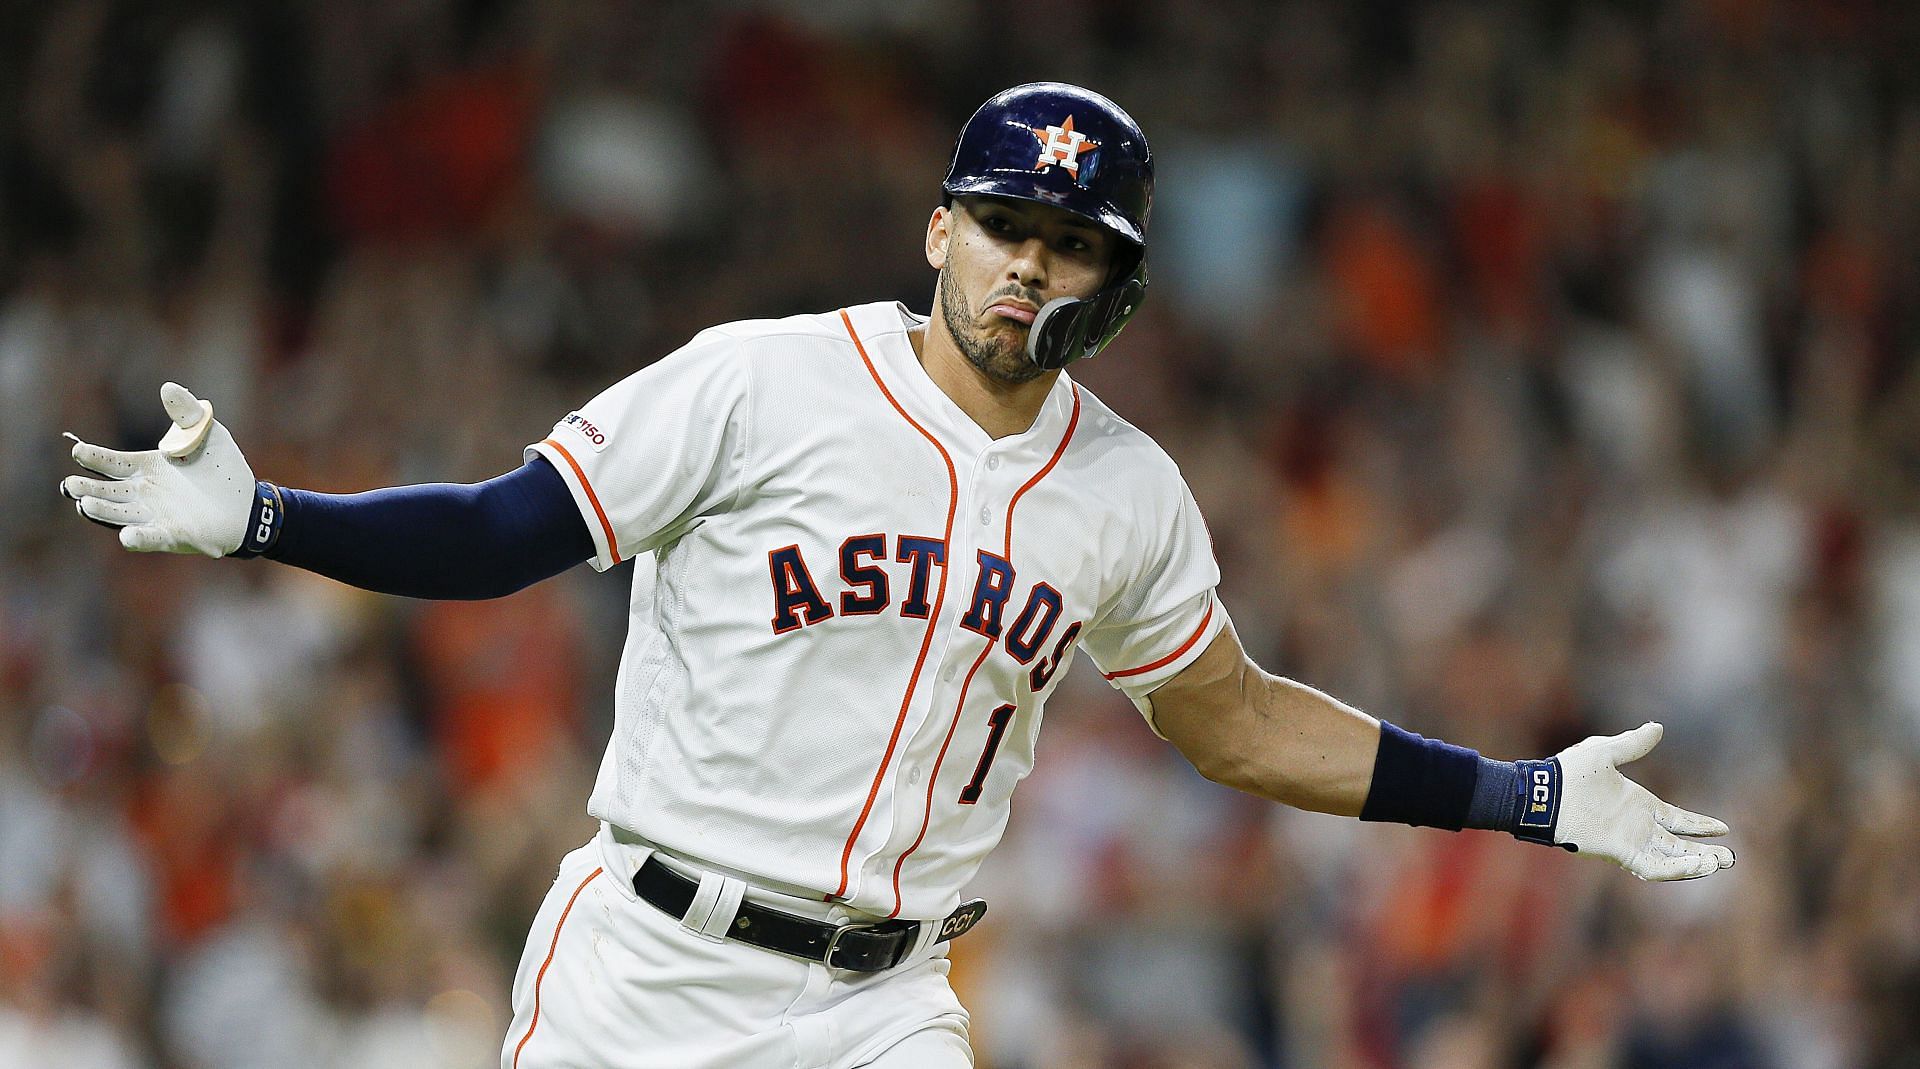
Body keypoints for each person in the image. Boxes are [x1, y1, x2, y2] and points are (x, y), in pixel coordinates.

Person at [59, 82, 1734, 1069]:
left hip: (887, 1006)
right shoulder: (758, 379)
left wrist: (1515, 795)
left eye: (1074, 247)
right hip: (649, 961)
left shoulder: (1129, 494)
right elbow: (511, 528)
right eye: (1009, 227)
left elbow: (1229, 722)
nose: (1031, 267)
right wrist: (274, 515)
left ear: (1119, 286)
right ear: (940, 228)